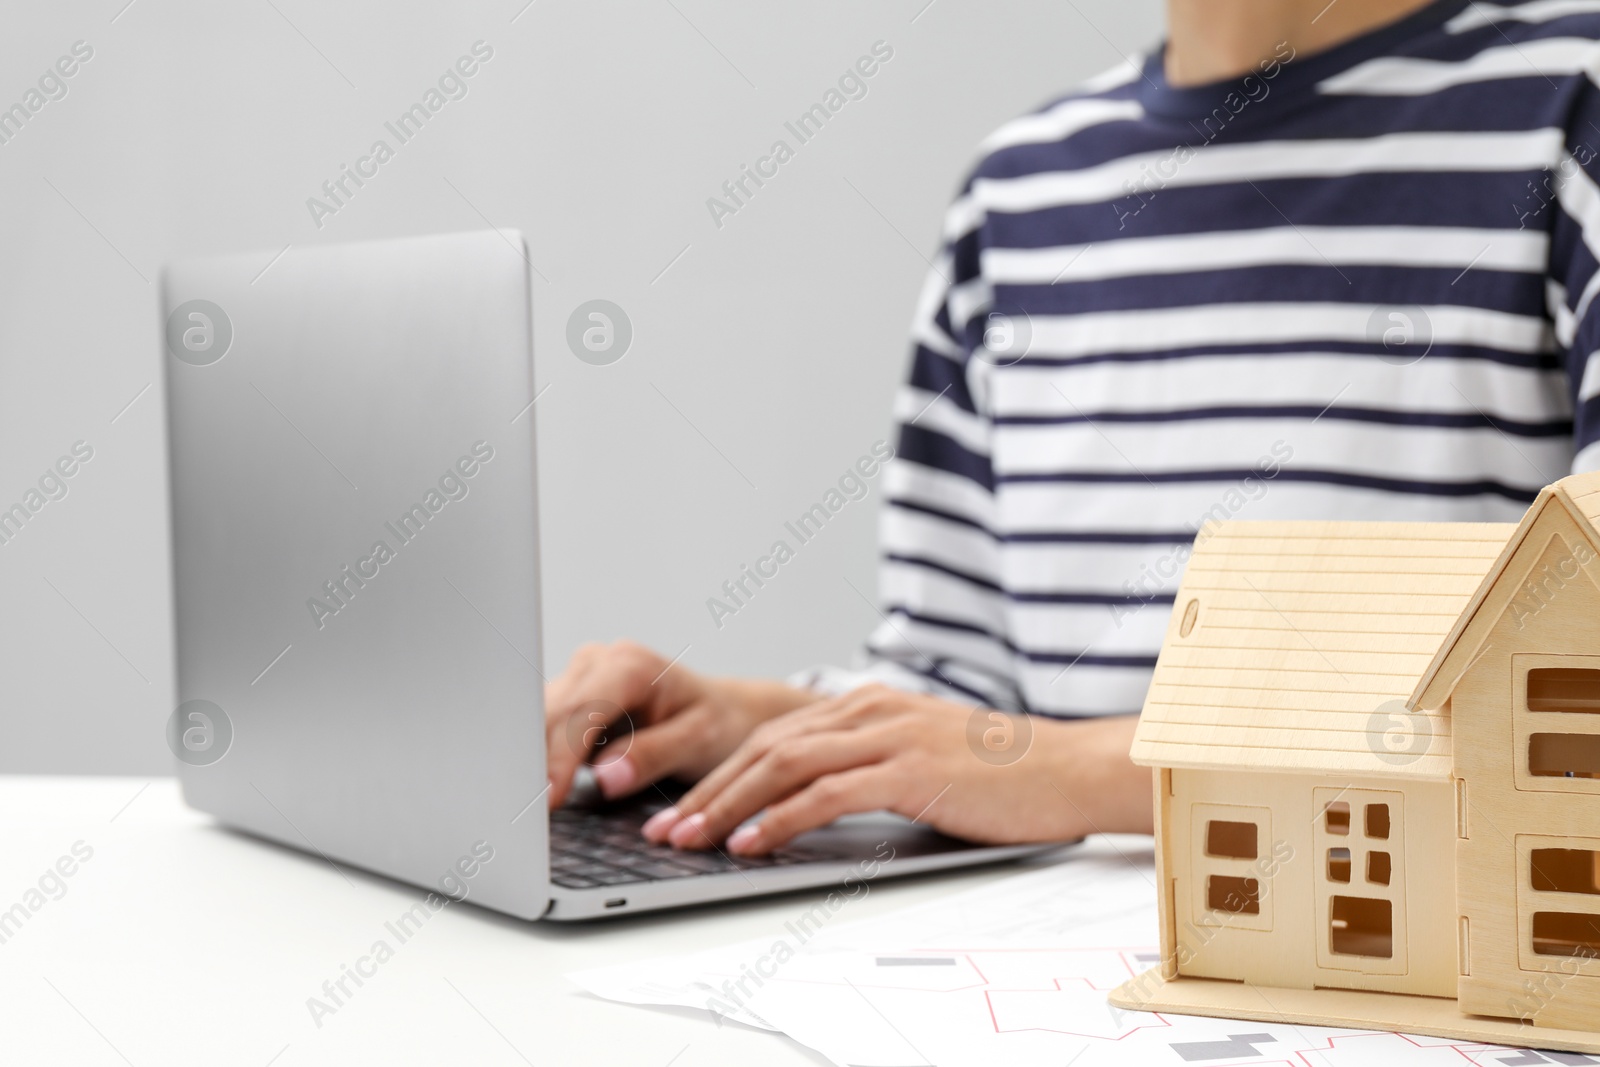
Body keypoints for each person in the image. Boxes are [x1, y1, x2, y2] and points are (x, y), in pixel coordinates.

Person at [546, 0, 1600, 855]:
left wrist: (1081, 773)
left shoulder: (1567, 102)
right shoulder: (1021, 190)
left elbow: (1572, 701)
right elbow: (961, 693)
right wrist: (750, 722)